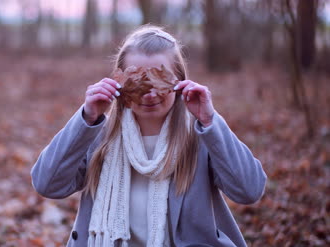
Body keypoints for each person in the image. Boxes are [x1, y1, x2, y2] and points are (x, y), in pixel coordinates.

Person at [31, 25, 267, 247]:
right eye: (138, 83)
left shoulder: (202, 138)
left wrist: (210, 121)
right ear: (119, 84)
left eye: (160, 80)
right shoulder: (98, 138)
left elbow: (249, 190)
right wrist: (86, 118)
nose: (150, 94)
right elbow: (47, 184)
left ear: (180, 82)